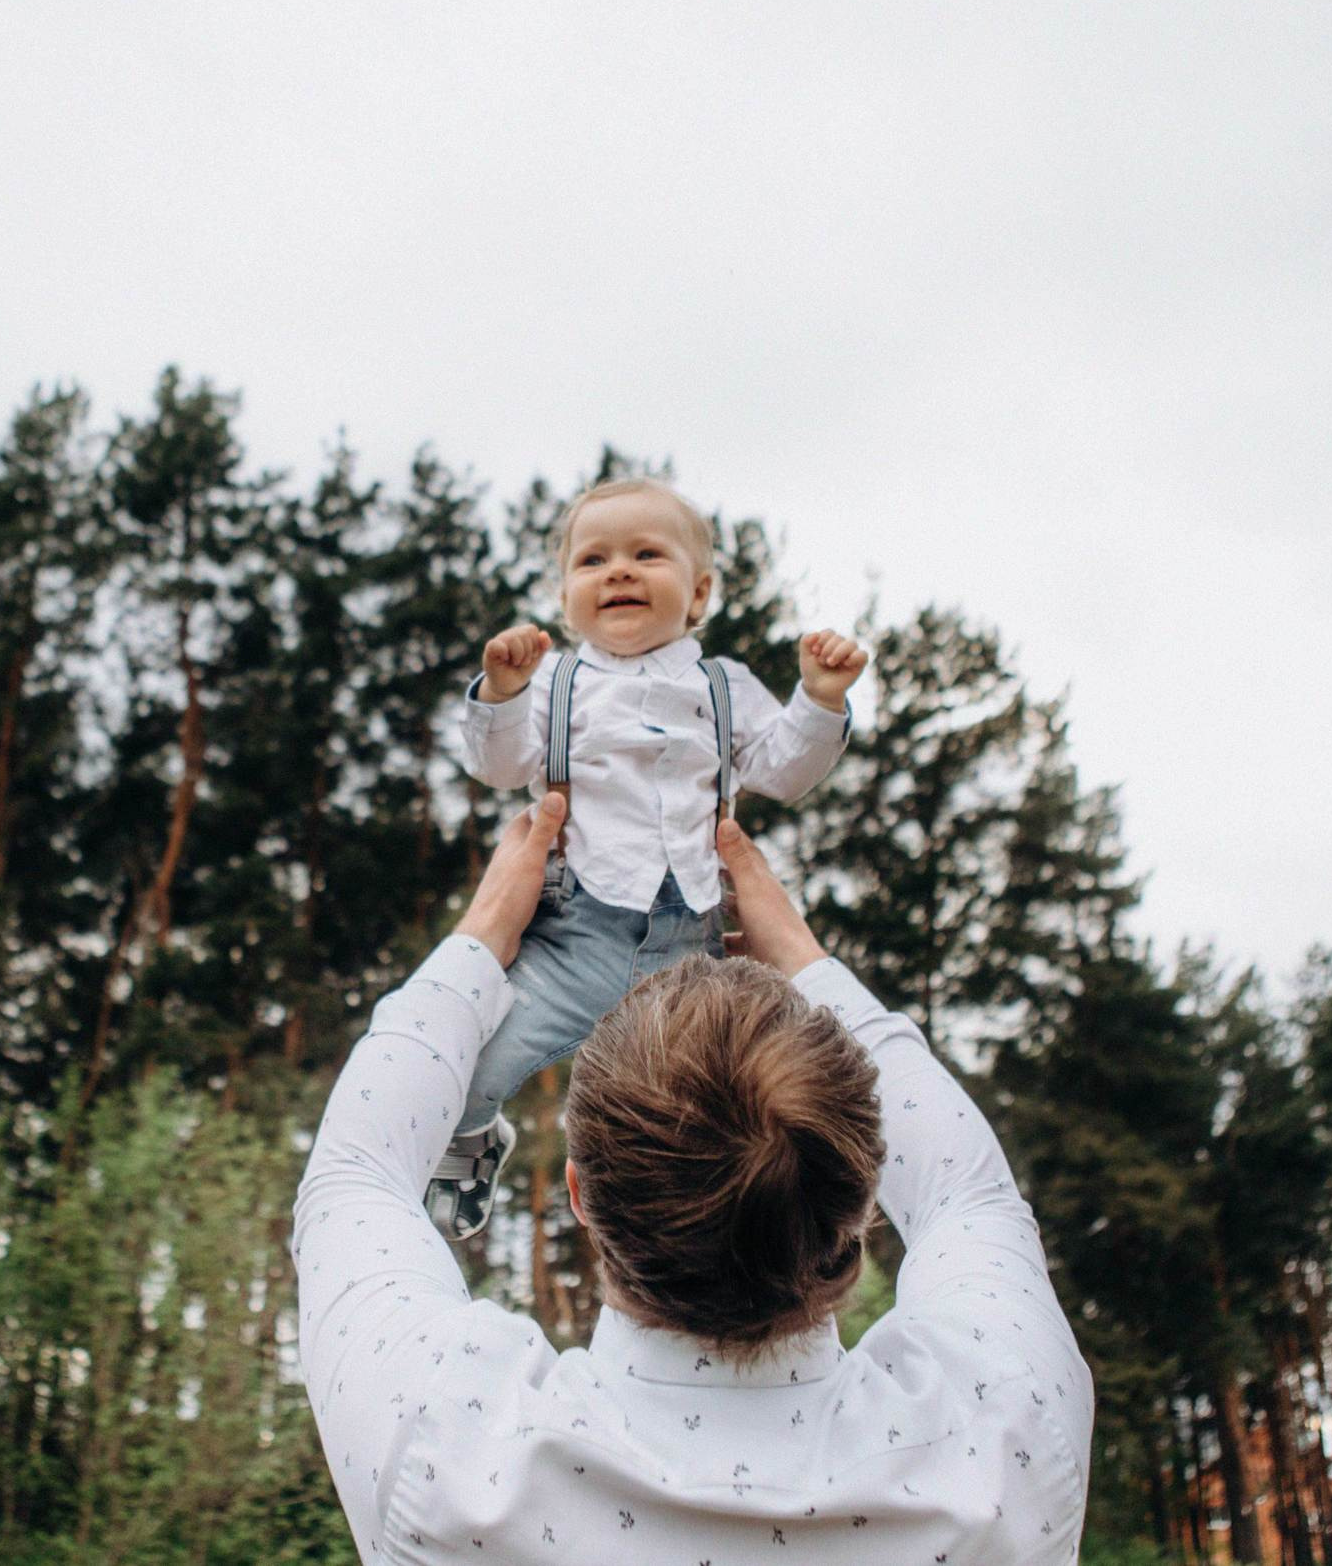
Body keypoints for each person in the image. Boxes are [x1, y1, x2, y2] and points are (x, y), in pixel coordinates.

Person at [293, 794, 1094, 1563]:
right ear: (860, 1194)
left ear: (580, 1193)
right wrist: (806, 961)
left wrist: (486, 928)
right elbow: (967, 1189)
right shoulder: (1005, 1441)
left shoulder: (448, 1457)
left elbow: (356, 1169)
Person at [429, 475, 868, 1239]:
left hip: (690, 948)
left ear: (697, 594)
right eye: (593, 560)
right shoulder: (555, 684)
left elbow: (782, 770)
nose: (619, 571)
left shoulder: (721, 686)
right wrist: (500, 692)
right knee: (475, 1061)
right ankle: (470, 1139)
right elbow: (499, 767)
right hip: (572, 937)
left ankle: (703, 1236)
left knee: (710, 1115)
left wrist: (819, 699)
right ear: (565, 594)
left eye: (646, 554)